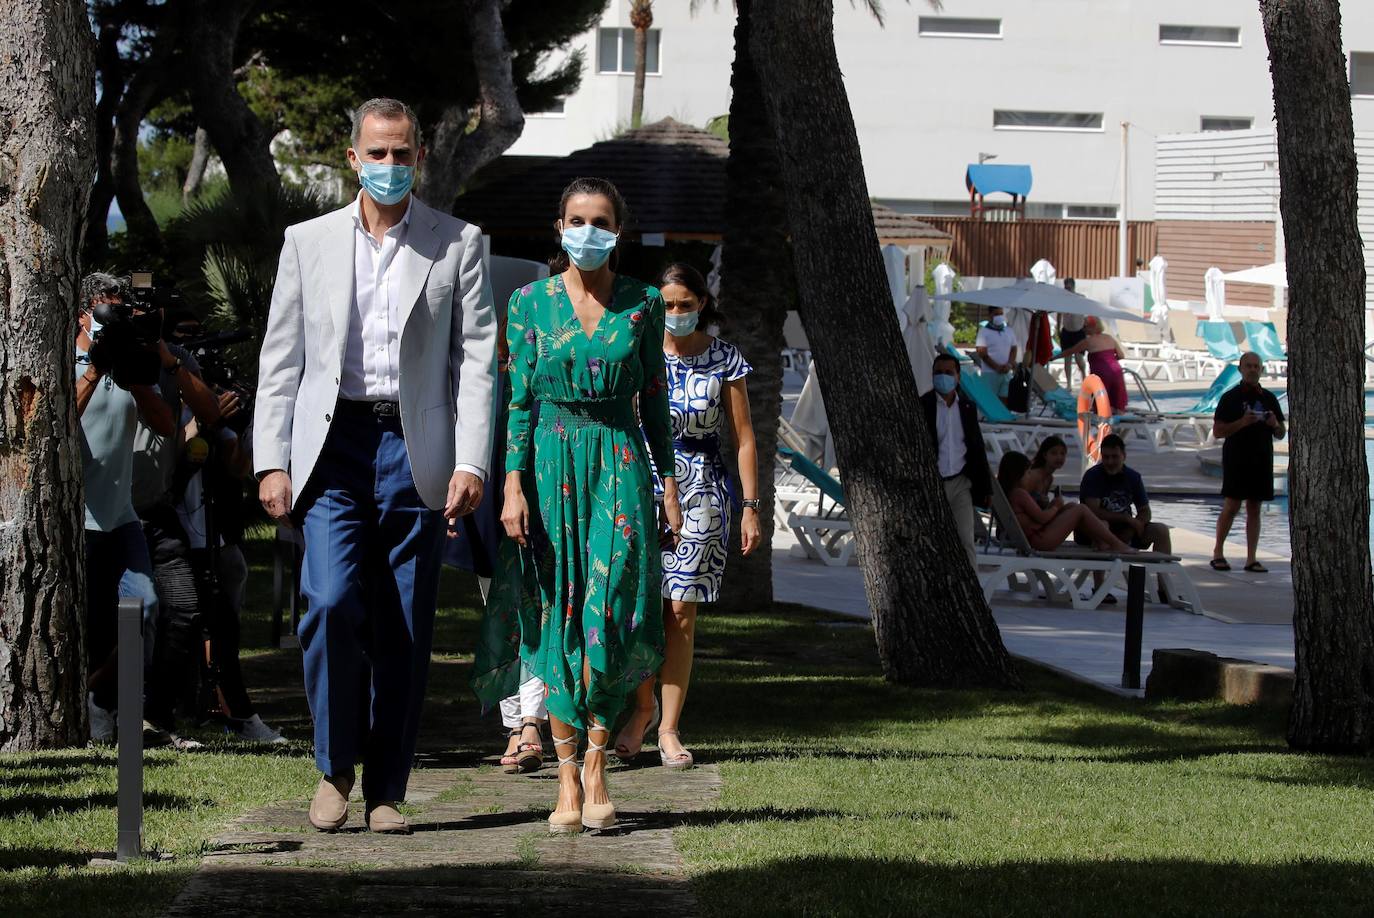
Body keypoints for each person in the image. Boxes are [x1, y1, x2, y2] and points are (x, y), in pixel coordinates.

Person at [254, 97, 497, 834]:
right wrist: (272, 460)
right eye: (377, 153)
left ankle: (387, 788)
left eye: (403, 153)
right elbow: (282, 358)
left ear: (418, 158)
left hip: (415, 450)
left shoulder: (458, 242)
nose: (390, 166)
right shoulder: (308, 241)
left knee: (404, 625)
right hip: (333, 447)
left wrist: (471, 460)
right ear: (352, 158)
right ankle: (334, 768)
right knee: (328, 602)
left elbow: (479, 359)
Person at [473, 176, 680, 835]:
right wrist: (510, 486)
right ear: (558, 227)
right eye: (576, 220)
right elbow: (519, 404)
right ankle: (567, 774)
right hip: (550, 470)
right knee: (557, 622)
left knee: (607, 614)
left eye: (600, 221)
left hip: (618, 466)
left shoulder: (643, 304)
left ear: (618, 230)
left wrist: (669, 484)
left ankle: (597, 760)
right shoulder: (530, 304)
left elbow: (654, 403)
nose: (587, 232)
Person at [614, 262, 760, 770]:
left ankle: (670, 728)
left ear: (702, 303)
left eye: (685, 303)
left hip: (703, 490)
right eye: (667, 304)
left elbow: (744, 439)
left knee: (680, 611)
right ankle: (642, 709)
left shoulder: (726, 361)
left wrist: (751, 506)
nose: (676, 313)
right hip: (642, 485)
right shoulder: (640, 352)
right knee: (643, 608)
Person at [77, 273, 176, 745]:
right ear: (82, 313)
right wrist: (95, 368)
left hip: (120, 518)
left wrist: (133, 376)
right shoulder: (69, 360)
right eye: (105, 311)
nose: (112, 320)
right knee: (89, 626)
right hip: (74, 522)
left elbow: (165, 423)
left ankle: (128, 715)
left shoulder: (126, 361)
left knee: (144, 608)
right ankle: (98, 723)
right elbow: (51, 417)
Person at [1210, 351, 1285, 573]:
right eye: (1248, 366)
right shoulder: (1230, 398)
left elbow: (1281, 432)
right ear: (1241, 369)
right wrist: (1242, 423)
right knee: (1232, 505)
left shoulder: (1269, 398)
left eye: (1256, 366)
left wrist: (1274, 425)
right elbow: (1218, 431)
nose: (1253, 369)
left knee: (1255, 507)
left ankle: (1251, 558)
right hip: (1237, 458)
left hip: (1261, 458)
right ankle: (1218, 552)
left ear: (1261, 370)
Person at [1079, 433, 1173, 601]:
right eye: (1106, 457)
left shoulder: (1133, 477)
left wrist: (1137, 525)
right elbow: (1093, 511)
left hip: (1125, 531)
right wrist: (1127, 520)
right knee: (1102, 525)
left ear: (1124, 456)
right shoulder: (1093, 476)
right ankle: (1100, 588)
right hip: (1095, 531)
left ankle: (1164, 589)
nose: (1109, 462)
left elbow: (1145, 510)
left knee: (1161, 530)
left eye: (1114, 457)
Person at [919, 353, 992, 567]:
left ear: (958, 377)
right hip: (933, 484)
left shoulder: (967, 408)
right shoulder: (923, 405)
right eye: (938, 373)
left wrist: (986, 487)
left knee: (965, 540)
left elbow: (977, 447)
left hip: (960, 482)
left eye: (948, 373)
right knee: (931, 540)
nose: (943, 377)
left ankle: (971, 592)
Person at [996, 451, 1134, 553]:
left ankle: (1101, 541)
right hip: (1040, 540)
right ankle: (1115, 543)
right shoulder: (1020, 493)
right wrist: (1056, 507)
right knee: (1081, 509)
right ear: (1017, 475)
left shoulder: (1011, 493)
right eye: (1027, 473)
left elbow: (1037, 517)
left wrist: (1053, 506)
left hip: (1035, 536)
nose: (1030, 476)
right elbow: (1042, 518)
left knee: (1072, 506)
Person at [1062, 315, 1128, 411]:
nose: (1083, 329)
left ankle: (1103, 424)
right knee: (1117, 406)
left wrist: (1053, 358)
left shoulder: (1088, 341)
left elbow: (1069, 352)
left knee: (1101, 407)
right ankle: (1119, 422)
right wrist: (1110, 360)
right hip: (1116, 372)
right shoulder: (1109, 338)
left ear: (1090, 328)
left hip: (1100, 375)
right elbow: (1121, 356)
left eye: (1084, 327)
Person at [974, 305, 1018, 404]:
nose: (999, 316)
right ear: (990, 315)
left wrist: (1009, 365)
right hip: (989, 373)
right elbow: (981, 352)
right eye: (996, 314)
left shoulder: (1009, 331)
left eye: (1001, 314)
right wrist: (996, 367)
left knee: (1004, 399)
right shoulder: (983, 332)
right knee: (990, 401)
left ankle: (1002, 419)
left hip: (1006, 372)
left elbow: (1014, 349)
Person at [1022, 435, 1068, 506]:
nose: (1059, 457)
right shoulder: (1034, 476)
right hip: (1028, 514)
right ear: (1045, 455)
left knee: (1072, 506)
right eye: (1054, 453)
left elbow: (1042, 505)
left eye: (1062, 453)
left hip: (1038, 513)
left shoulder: (1049, 478)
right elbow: (1022, 501)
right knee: (1080, 509)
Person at [1057, 278, 1087, 388]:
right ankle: (1069, 384)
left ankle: (1084, 378)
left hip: (1078, 331)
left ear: (1073, 287)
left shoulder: (1080, 298)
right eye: (1065, 287)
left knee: (1079, 359)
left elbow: (1086, 314)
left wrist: (1086, 327)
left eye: (1069, 287)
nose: (1067, 289)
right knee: (1067, 358)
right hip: (1067, 331)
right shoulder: (1062, 300)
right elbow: (1059, 315)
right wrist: (1057, 329)